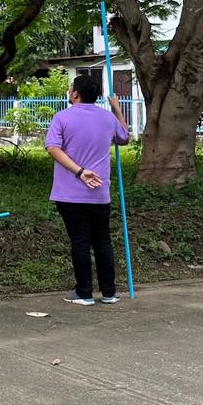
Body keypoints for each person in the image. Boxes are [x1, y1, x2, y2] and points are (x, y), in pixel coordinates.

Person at [44, 75, 130, 306]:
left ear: (75, 94)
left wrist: (80, 172)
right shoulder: (108, 118)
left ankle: (84, 293)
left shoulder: (62, 117)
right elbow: (124, 137)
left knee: (80, 242)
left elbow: (52, 148)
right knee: (102, 242)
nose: (69, 91)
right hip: (100, 194)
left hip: (70, 194)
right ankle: (109, 292)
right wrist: (116, 109)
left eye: (71, 88)